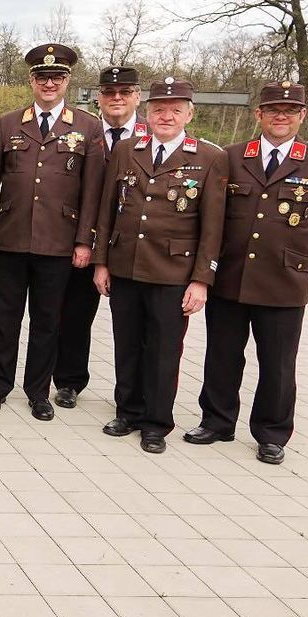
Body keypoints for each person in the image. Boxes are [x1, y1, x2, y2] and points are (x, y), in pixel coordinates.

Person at [188, 80, 308, 464]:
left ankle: (272, 433)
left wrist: (295, 254)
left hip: (283, 281)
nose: (281, 117)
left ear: (302, 115)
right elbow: (214, 216)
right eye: (273, 110)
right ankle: (217, 421)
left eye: (290, 111)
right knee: (222, 355)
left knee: (277, 363)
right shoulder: (231, 156)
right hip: (232, 275)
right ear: (259, 114)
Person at [92, 78, 227, 454]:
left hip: (173, 272)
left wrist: (202, 280)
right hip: (125, 265)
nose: (166, 116)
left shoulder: (208, 157)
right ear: (147, 112)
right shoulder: (126, 149)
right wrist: (101, 262)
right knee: (127, 345)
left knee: (164, 351)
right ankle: (128, 411)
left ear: (189, 114)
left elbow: (213, 227)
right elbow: (107, 210)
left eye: (175, 110)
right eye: (159, 109)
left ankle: (155, 423)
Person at [0, 43, 104, 421]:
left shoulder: (87, 126)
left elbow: (92, 190)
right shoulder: (7, 123)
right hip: (11, 237)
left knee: (47, 322)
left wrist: (84, 241)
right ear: (31, 80)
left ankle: (38, 392)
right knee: (5, 318)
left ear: (68, 80)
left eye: (57, 77)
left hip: (58, 241)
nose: (49, 83)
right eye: (42, 77)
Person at [54, 65, 148, 409]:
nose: (117, 98)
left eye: (125, 92)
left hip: (135, 243)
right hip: (87, 238)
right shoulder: (83, 131)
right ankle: (69, 380)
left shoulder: (156, 133)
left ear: (137, 96)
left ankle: (135, 396)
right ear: (99, 97)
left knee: (136, 324)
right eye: (109, 93)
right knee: (75, 314)